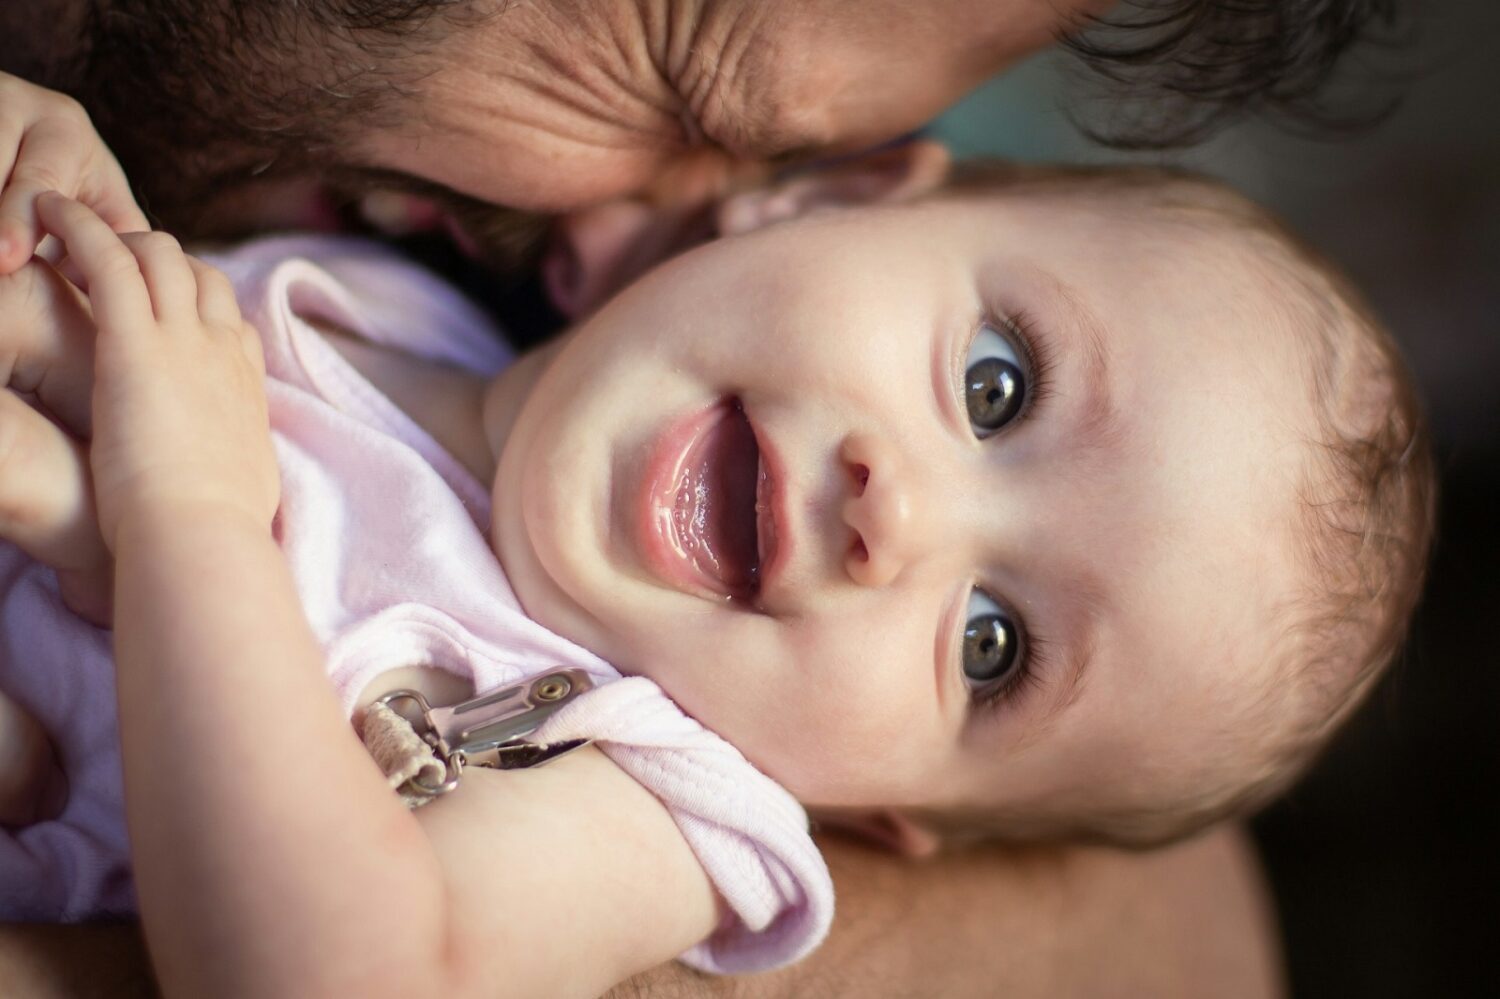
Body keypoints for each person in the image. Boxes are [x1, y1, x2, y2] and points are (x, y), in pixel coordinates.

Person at [0, 84, 1431, 994]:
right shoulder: (365, 298)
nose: (900, 515)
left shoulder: (642, 790)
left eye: (992, 646)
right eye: (997, 384)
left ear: (876, 810)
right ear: (819, 201)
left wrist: (184, 511)